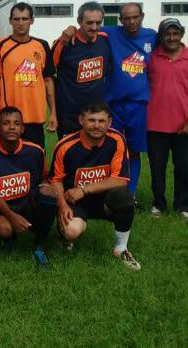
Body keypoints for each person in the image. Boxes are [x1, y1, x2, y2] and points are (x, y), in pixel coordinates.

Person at [58, 2, 157, 202]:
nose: (131, 21)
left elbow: (172, 44)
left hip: (139, 105)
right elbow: (86, 28)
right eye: (127, 18)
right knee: (108, 149)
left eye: (135, 17)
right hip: (112, 105)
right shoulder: (108, 33)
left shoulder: (152, 36)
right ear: (120, 20)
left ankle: (130, 195)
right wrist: (69, 30)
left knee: (134, 152)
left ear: (142, 16)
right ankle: (102, 192)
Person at [51, 101, 141, 271]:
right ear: (81, 120)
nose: (97, 126)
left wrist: (84, 189)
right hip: (74, 201)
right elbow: (55, 180)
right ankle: (63, 234)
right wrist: (62, 206)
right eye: (91, 120)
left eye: (101, 121)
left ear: (109, 122)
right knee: (72, 231)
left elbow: (120, 180)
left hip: (103, 199)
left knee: (124, 197)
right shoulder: (65, 145)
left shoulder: (117, 139)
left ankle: (121, 248)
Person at [146, 18, 188, 222]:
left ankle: (184, 205)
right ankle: (158, 204)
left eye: (176, 33)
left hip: (184, 126)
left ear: (181, 34)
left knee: (183, 166)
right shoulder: (152, 57)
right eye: (167, 34)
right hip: (155, 124)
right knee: (157, 167)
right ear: (161, 36)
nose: (172, 38)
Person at [0, 106, 57, 268]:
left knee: (49, 193)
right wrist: (11, 216)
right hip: (2, 206)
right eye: (6, 123)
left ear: (23, 129)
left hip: (28, 202)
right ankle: (8, 239)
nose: (11, 127)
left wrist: (48, 199)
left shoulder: (35, 151)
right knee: (4, 229)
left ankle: (39, 245)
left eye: (16, 123)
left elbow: (43, 177)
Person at [0, 2, 57, 150]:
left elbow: (48, 81)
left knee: (36, 159)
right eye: (16, 19)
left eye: (25, 19)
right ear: (10, 21)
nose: (20, 23)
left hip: (35, 117)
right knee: (7, 161)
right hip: (9, 119)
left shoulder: (42, 45)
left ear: (32, 20)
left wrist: (53, 113)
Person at [50, 1, 112, 139]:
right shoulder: (63, 44)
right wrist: (52, 112)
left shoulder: (105, 40)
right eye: (89, 23)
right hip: (69, 116)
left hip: (96, 115)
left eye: (98, 22)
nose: (94, 27)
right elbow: (47, 76)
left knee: (95, 152)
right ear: (79, 21)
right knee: (69, 151)